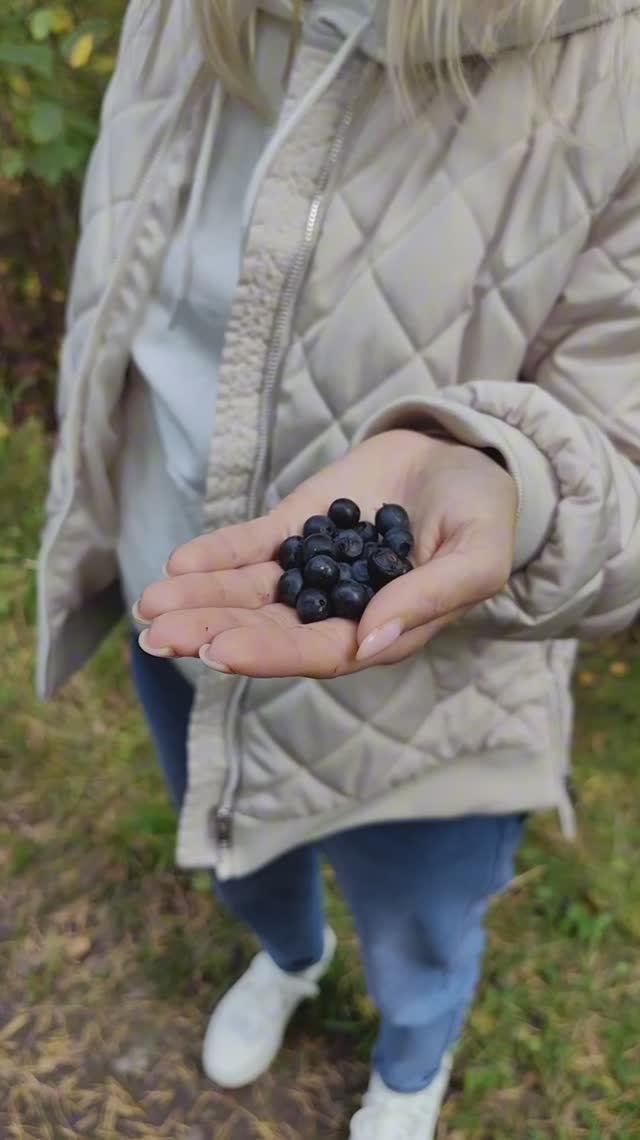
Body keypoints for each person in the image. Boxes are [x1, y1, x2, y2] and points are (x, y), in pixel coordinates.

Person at [38, 1, 640, 1135]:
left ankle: (413, 1062)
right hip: (193, 593)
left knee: (424, 913)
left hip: (440, 692)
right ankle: (289, 957)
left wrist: (519, 480)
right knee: (229, 834)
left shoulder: (615, 62)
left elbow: (625, 441)